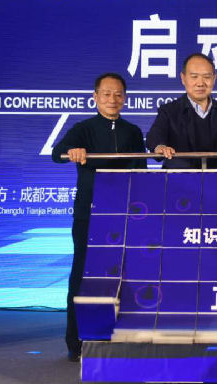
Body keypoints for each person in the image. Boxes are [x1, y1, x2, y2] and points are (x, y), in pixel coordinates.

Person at [51, 73, 147, 361]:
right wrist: (73, 151)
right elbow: (57, 153)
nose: (112, 99)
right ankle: (77, 341)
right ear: (95, 97)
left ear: (125, 98)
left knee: (123, 276)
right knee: (83, 275)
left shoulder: (132, 131)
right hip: (89, 214)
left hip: (124, 214)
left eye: (118, 94)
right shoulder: (83, 129)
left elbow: (141, 171)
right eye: (106, 94)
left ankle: (117, 336)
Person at [145, 53, 217, 169]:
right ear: (183, 78)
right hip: (179, 178)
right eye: (194, 77)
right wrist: (160, 147)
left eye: (207, 77)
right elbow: (154, 137)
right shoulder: (169, 111)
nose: (200, 83)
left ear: (214, 78)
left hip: (216, 178)